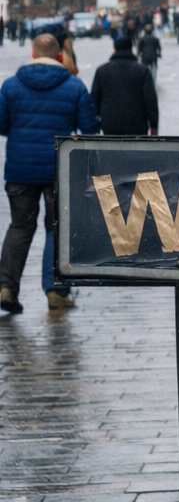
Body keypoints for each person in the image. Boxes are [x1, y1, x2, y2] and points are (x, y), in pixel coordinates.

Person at [0, 33, 101, 313]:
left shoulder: (10, 86)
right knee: (57, 227)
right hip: (60, 169)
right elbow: (90, 129)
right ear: (59, 57)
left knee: (20, 226)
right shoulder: (74, 86)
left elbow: (1, 125)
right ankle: (56, 291)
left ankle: (6, 286)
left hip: (19, 170)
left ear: (32, 55)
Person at [91, 36, 159, 136]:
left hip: (109, 124)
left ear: (114, 49)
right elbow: (150, 100)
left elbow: (94, 99)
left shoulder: (102, 70)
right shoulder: (142, 70)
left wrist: (93, 125)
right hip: (137, 124)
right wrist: (154, 126)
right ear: (131, 49)